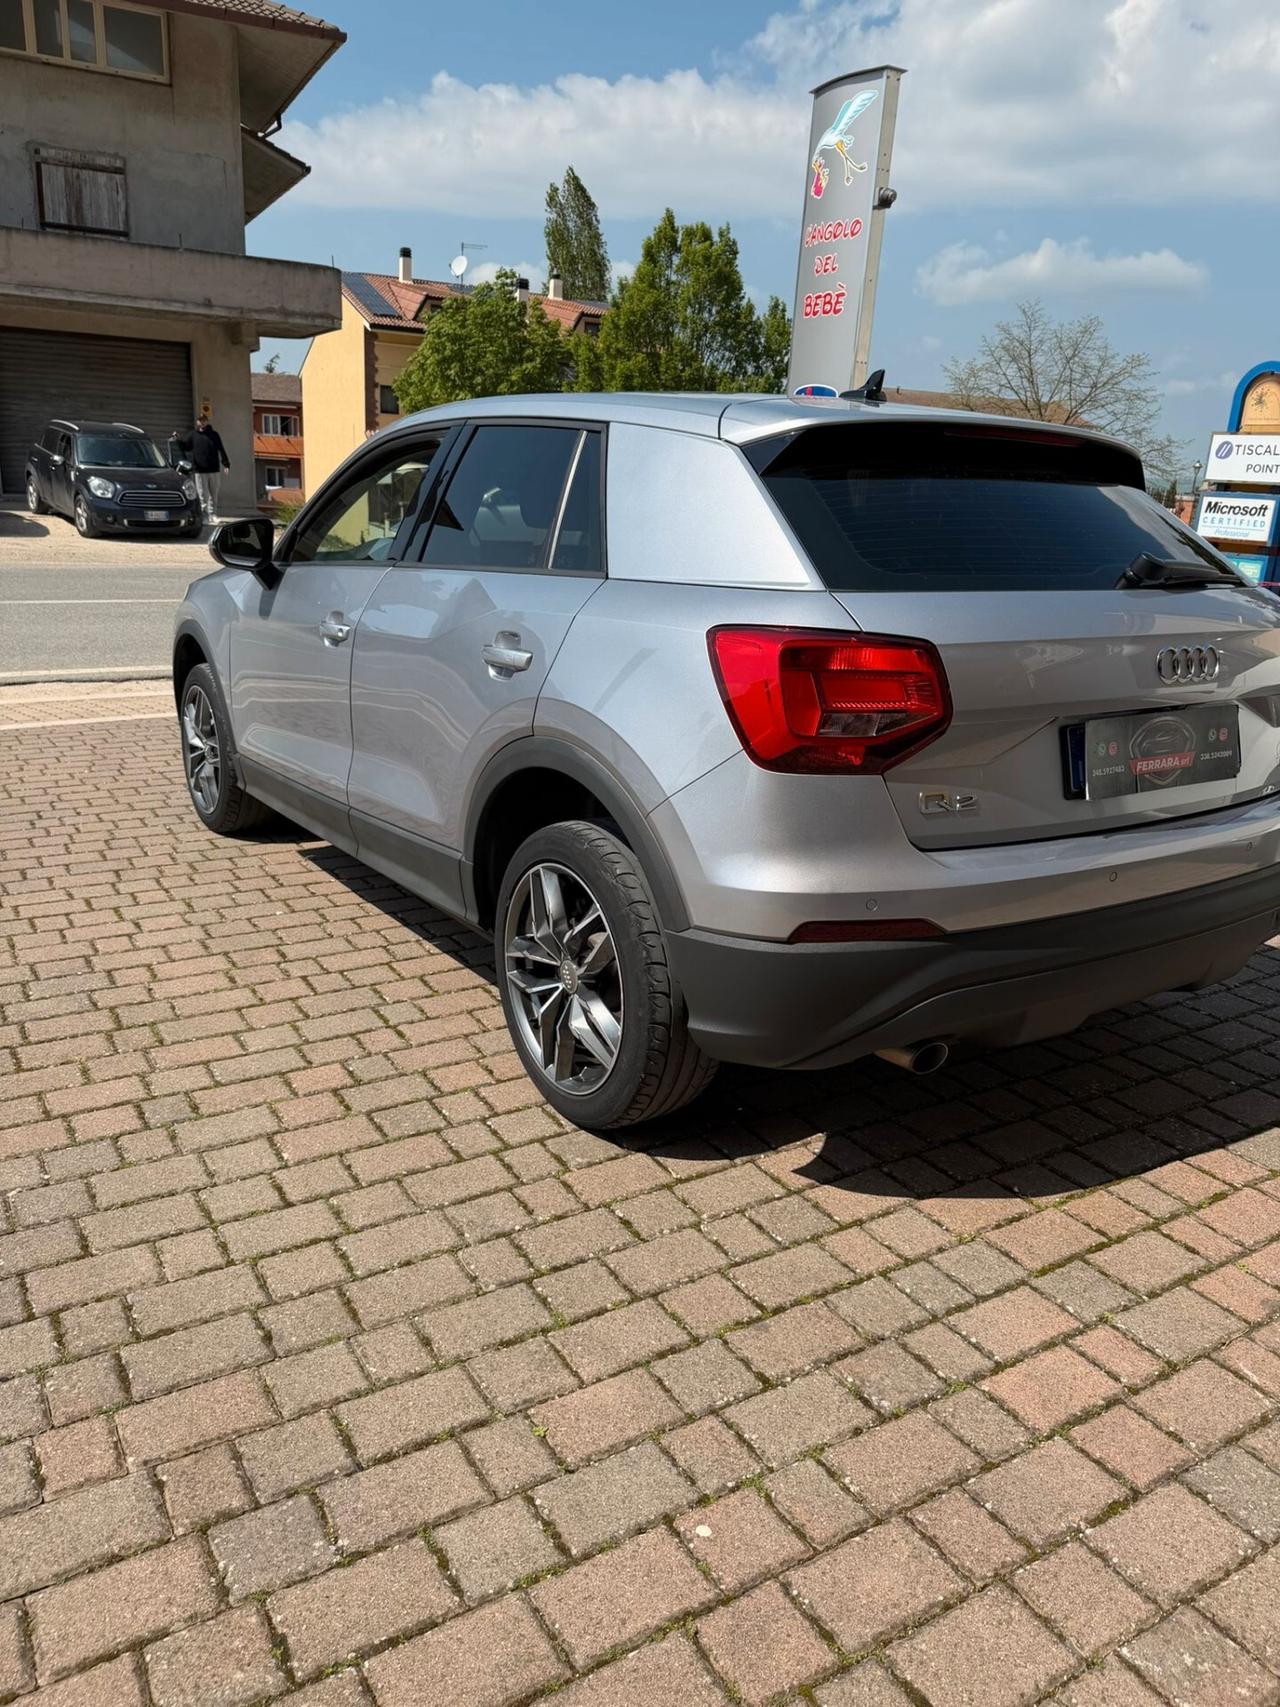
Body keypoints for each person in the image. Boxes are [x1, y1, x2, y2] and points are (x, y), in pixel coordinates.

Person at [185, 415, 230, 522]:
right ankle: (204, 516)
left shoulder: (214, 435)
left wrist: (226, 464)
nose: (202, 422)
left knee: (214, 494)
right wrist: (177, 440)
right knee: (202, 495)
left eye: (204, 420)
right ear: (197, 422)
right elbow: (185, 447)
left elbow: (221, 449)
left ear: (207, 421)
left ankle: (213, 514)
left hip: (214, 469)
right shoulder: (193, 435)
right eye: (200, 420)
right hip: (200, 470)